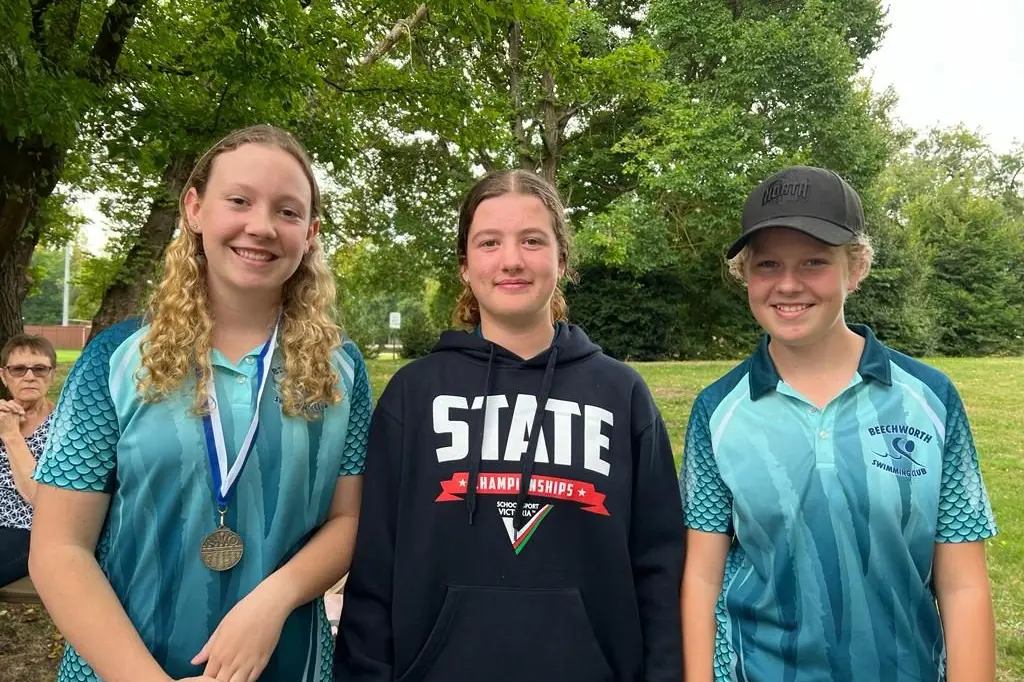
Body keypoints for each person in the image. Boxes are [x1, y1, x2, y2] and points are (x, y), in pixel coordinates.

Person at [29, 124, 371, 682]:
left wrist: (273, 599)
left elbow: (348, 519)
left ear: (310, 233)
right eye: (239, 201)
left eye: (287, 212)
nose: (260, 227)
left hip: (289, 661)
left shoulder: (342, 370)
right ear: (194, 209)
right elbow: (59, 547)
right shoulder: (114, 359)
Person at [335, 169, 685, 682]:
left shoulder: (622, 395)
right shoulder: (412, 395)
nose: (512, 260)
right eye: (490, 242)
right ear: (465, 265)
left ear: (561, 260)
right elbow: (374, 569)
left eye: (532, 241)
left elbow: (658, 569)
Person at [680, 166, 998, 682]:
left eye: (813, 262)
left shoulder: (930, 399)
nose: (788, 284)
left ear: (856, 267)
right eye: (767, 265)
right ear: (745, 275)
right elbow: (701, 577)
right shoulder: (717, 411)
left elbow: (962, 584)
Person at [0, 334, 58, 587]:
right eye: (18, 369)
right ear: (4, 375)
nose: (30, 376)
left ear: (52, 375)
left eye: (40, 369)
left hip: (30, 531)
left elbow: (42, 498)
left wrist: (11, 436)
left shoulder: (65, 427)